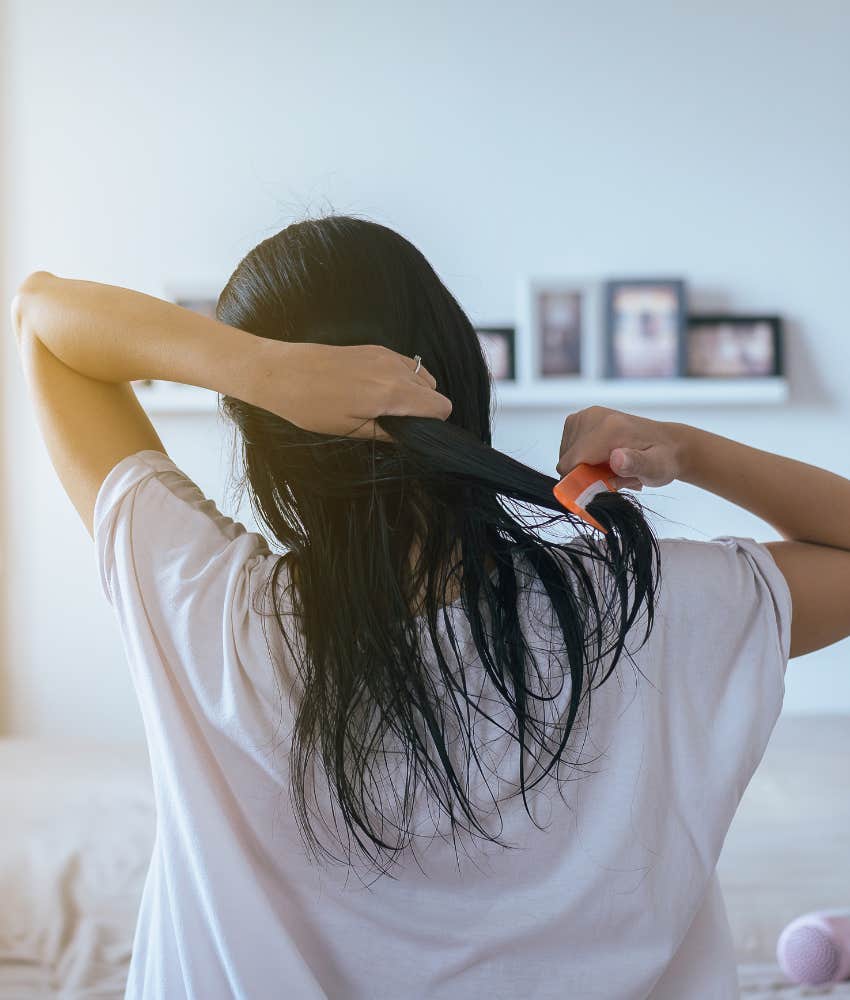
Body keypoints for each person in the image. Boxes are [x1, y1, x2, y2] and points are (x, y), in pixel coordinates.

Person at [10, 216, 850, 999]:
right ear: (462, 370)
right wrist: (687, 448)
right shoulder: (635, 610)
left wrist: (262, 370)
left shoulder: (206, 606)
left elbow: (43, 315)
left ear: (265, 436)